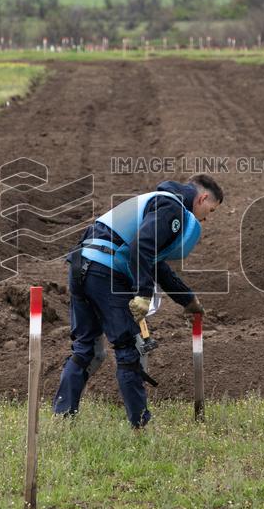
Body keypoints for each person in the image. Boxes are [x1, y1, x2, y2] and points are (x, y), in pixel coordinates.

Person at [52, 174, 224, 427]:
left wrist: (188, 301)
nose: (206, 218)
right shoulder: (172, 207)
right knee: (128, 350)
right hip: (105, 270)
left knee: (85, 348)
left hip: (81, 266)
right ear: (203, 198)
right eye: (210, 210)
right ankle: (140, 426)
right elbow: (141, 248)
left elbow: (155, 263)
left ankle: (62, 418)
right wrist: (143, 295)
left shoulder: (158, 201)